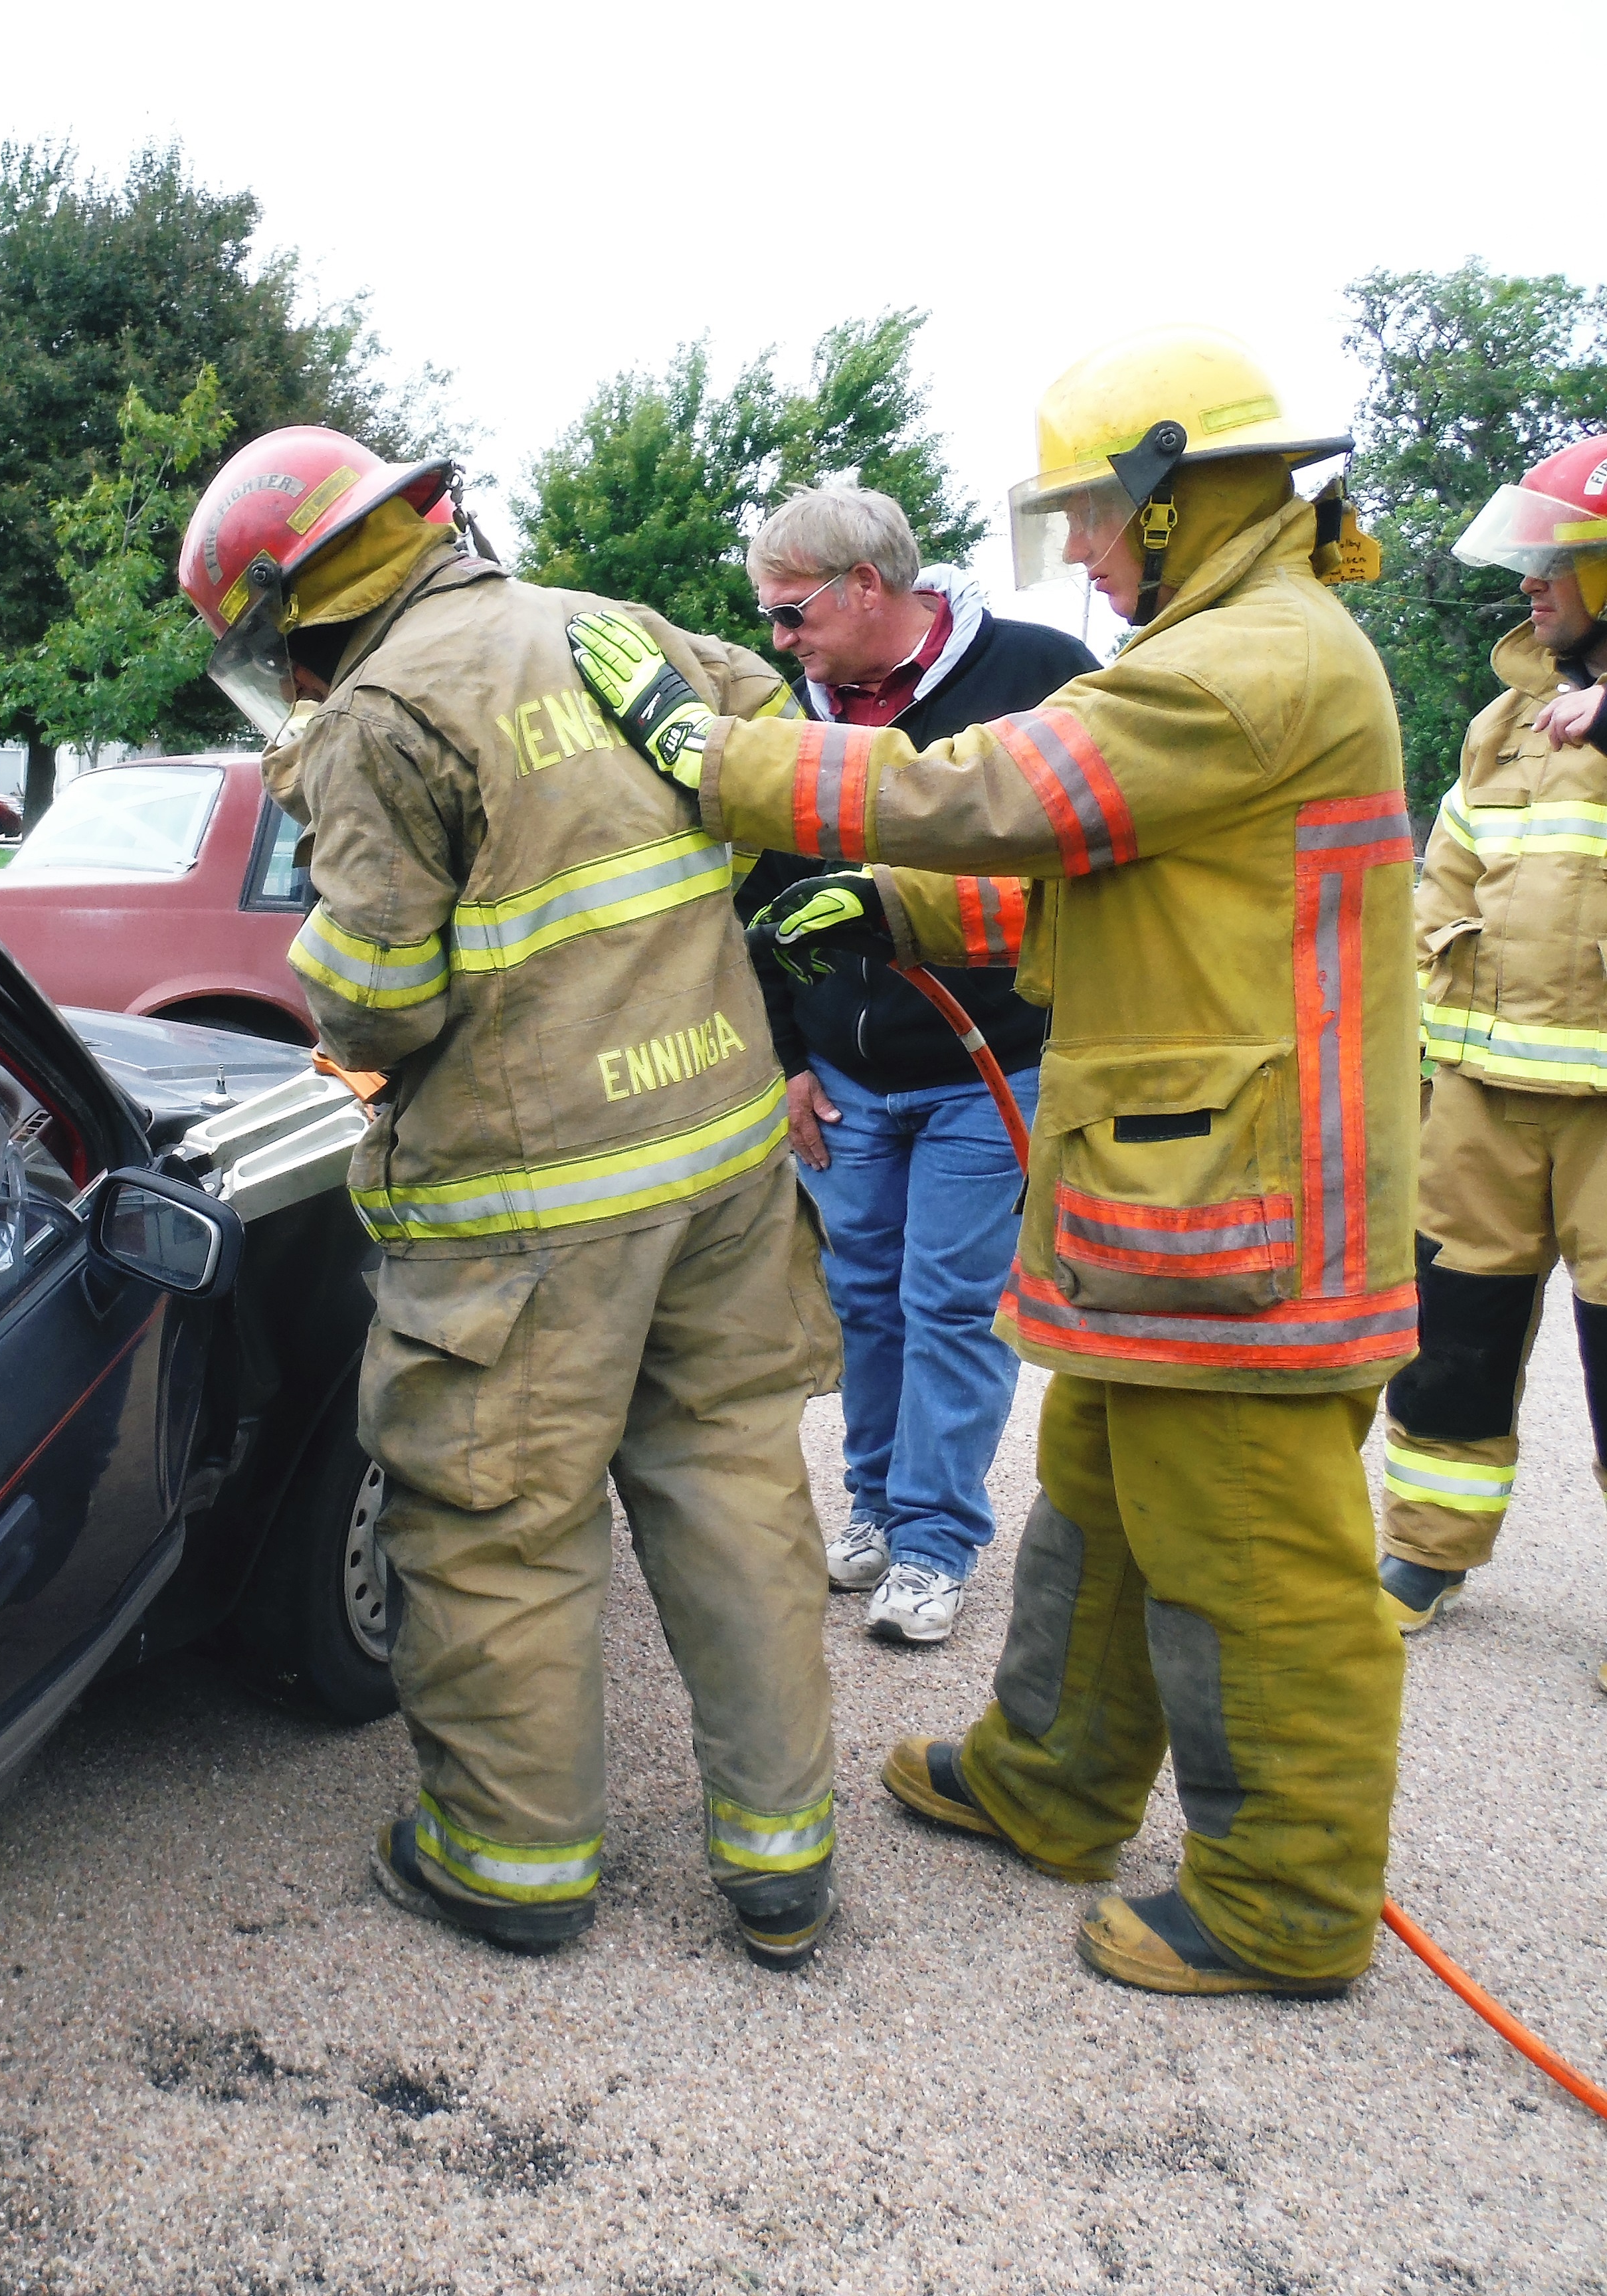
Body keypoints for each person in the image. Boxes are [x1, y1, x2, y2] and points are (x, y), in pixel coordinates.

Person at [573, 325, 1413, 1998]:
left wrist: (709, 754)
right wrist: (892, 910)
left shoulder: (1250, 661)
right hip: (1175, 1193)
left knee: (1254, 1562)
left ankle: (1286, 1902)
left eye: (1096, 518)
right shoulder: (1229, 642)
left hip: (1253, 1212)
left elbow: (997, 789)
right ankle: (1051, 1780)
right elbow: (1092, 886)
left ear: (1174, 502)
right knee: (1098, 1507)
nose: (1084, 555)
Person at [181, 424, 844, 1970]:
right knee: (734, 1483)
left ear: (300, 608)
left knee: (496, 1524)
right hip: (723, 1158)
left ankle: (509, 1863)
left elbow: (380, 1005)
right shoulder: (616, 630)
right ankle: (779, 1862)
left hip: (531, 1210)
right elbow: (782, 778)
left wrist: (323, 957)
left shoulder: (380, 713)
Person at [736, 490, 1098, 1644]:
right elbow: (748, 910)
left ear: (865, 588)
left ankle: (935, 1544)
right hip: (844, 1082)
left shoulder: (1039, 670)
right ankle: (879, 1509)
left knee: (947, 1305)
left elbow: (1083, 863)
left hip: (984, 1067)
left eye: (792, 615)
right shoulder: (788, 715)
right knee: (864, 1303)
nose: (777, 641)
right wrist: (790, 1059)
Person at [1378, 434, 1607, 1666]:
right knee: (1450, 1338)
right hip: (1476, 1099)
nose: (1530, 581)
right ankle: (1424, 1548)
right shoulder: (1503, 723)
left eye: (1556, 558)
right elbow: (1440, 885)